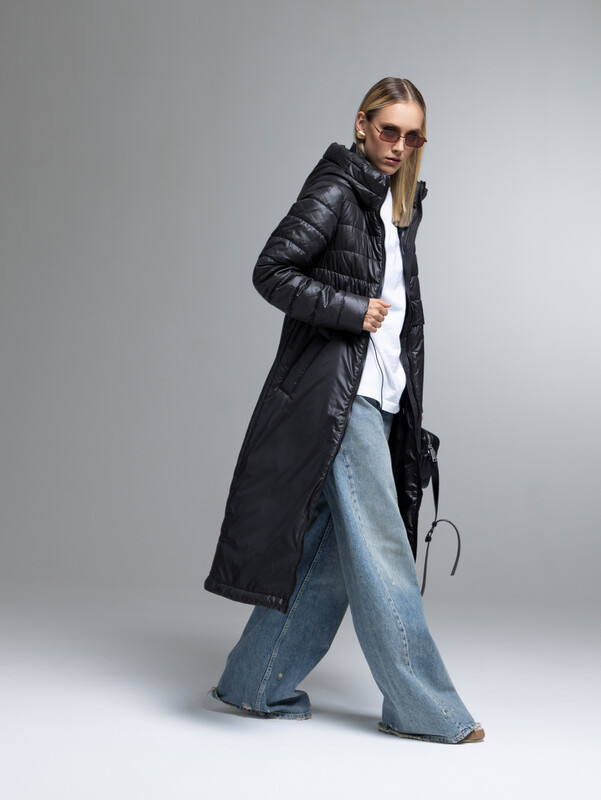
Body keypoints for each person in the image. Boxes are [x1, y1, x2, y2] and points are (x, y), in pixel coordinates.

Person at [204, 77, 484, 744]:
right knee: (383, 549)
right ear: (361, 124)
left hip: (379, 395)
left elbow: (403, 321)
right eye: (389, 130)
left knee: (328, 560)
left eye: (412, 136)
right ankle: (425, 709)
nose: (399, 145)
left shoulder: (397, 206)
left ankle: (252, 683)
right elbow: (272, 270)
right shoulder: (334, 188)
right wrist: (351, 310)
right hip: (337, 396)